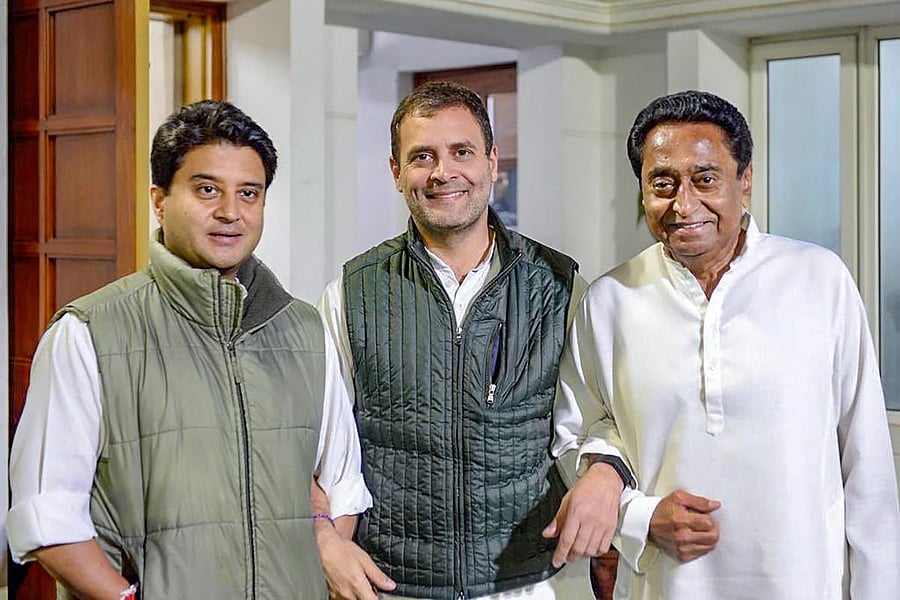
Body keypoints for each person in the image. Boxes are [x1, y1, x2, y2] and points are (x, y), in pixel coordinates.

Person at [7, 100, 371, 599]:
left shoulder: (306, 330)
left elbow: (343, 482)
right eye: (207, 190)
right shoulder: (89, 333)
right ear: (159, 200)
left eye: (249, 193)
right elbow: (45, 514)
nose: (230, 212)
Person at [551, 90, 900, 599]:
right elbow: (572, 440)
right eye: (662, 184)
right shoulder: (610, 301)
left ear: (747, 180)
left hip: (802, 582)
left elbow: (867, 469)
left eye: (706, 179)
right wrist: (641, 517)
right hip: (664, 586)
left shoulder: (818, 280)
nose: (683, 204)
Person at [314, 81, 624, 600]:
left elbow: (608, 414)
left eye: (462, 152)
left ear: (492, 161)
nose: (443, 172)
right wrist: (324, 540)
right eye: (422, 157)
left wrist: (606, 475)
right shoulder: (352, 292)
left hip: (534, 582)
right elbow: (324, 448)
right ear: (396, 172)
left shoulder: (560, 287)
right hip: (394, 584)